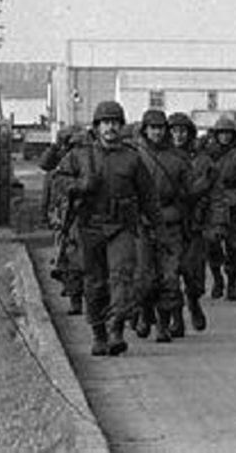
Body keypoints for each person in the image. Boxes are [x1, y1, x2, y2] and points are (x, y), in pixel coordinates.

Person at [60, 101, 161, 357]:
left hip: (122, 226)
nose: (110, 128)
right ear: (97, 126)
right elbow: (58, 180)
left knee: (123, 277)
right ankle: (99, 333)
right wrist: (80, 185)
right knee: (94, 283)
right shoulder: (80, 155)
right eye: (105, 123)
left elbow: (148, 194)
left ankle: (116, 326)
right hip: (90, 226)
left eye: (115, 123)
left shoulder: (132, 158)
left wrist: (156, 226)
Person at [133, 108, 196, 343]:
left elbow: (188, 192)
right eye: (152, 128)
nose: (157, 132)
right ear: (145, 129)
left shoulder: (179, 159)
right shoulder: (135, 156)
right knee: (144, 277)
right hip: (142, 223)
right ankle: (144, 312)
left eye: (160, 128)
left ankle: (162, 323)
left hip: (170, 222)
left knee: (169, 277)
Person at [197, 116, 236, 301]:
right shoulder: (207, 154)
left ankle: (232, 283)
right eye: (222, 133)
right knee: (212, 244)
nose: (225, 137)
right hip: (211, 204)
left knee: (234, 245)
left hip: (233, 204)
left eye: (228, 133)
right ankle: (217, 278)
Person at [168, 112, 211, 332]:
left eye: (183, 131)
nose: (179, 135)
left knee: (193, 274)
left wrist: (216, 223)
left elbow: (215, 193)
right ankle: (177, 317)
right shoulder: (162, 158)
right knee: (171, 273)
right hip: (170, 223)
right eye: (174, 130)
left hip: (195, 224)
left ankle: (193, 303)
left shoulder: (202, 160)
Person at [40, 125, 89, 315]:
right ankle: (74, 296)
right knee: (68, 258)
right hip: (64, 215)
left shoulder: (88, 160)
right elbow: (46, 170)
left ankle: (79, 295)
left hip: (81, 214)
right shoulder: (59, 163)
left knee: (78, 258)